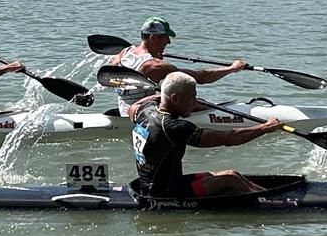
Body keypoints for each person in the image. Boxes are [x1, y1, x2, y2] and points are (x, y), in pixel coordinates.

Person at [128, 72, 283, 197]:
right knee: (231, 180)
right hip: (165, 194)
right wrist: (265, 128)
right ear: (175, 98)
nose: (196, 103)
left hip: (152, 184)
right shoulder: (174, 127)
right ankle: (271, 203)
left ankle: (268, 195)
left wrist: (160, 95)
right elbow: (229, 138)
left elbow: (133, 107)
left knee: (231, 173)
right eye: (192, 98)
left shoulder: (144, 110)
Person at [106, 17, 248, 118]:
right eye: (165, 37)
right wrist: (232, 68)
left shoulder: (125, 52)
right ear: (153, 38)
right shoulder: (154, 65)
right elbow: (200, 78)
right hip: (144, 114)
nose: (168, 42)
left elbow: (109, 76)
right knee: (191, 99)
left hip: (125, 109)